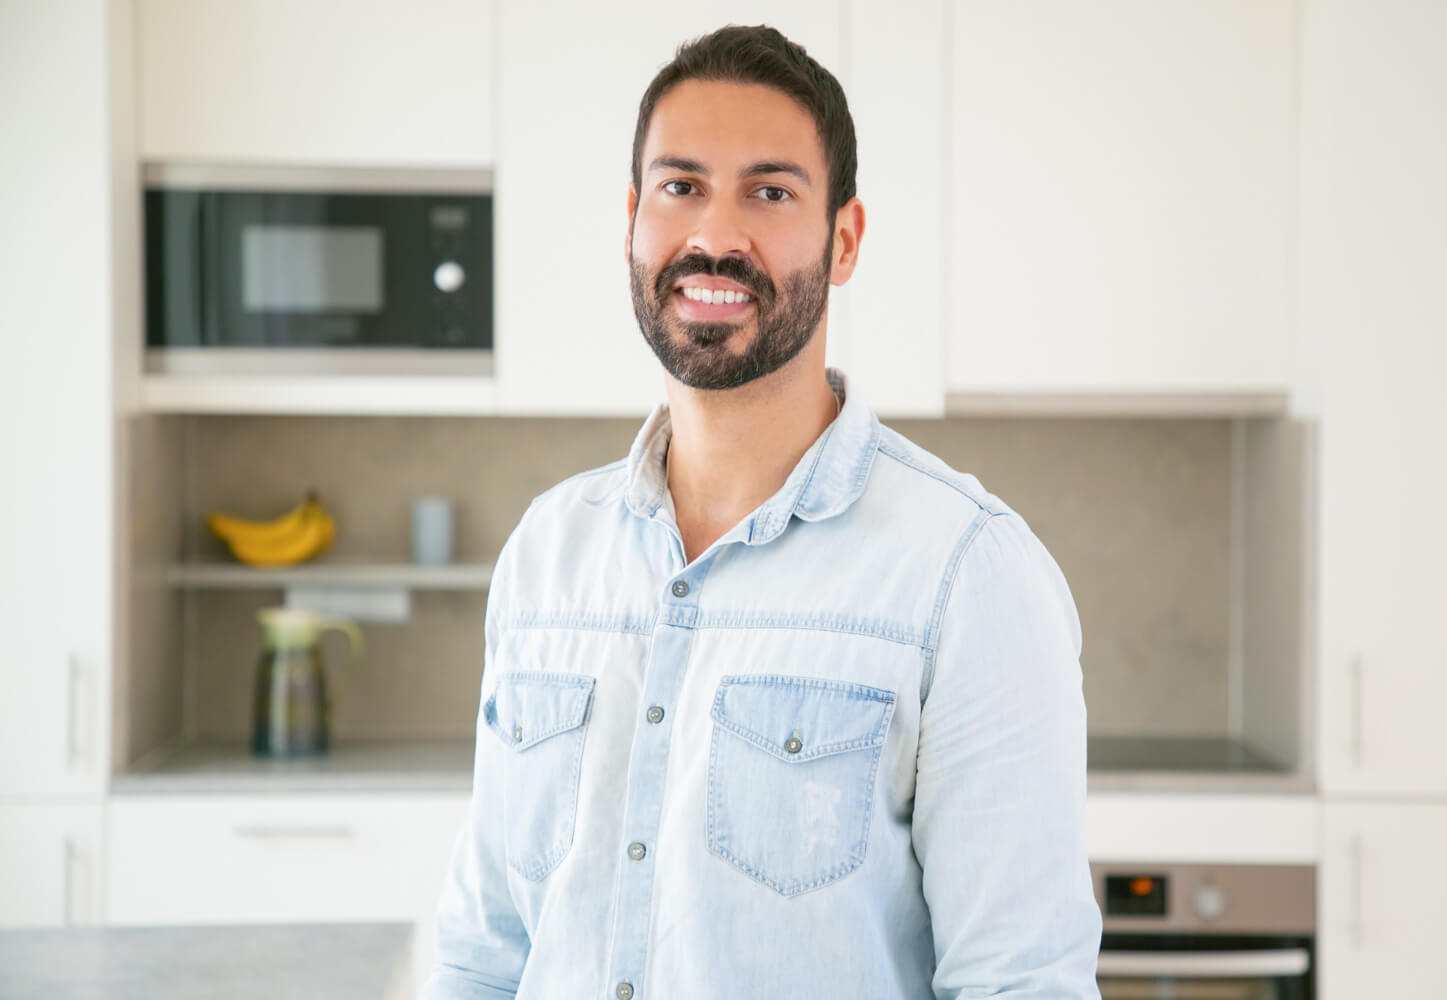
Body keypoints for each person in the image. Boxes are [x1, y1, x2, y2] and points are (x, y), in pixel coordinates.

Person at [422, 24, 1101, 1000]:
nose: (715, 235)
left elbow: (1020, 982)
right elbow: (480, 954)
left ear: (847, 238)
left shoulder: (967, 576)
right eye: (682, 186)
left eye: (770, 192)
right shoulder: (547, 557)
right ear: (632, 221)